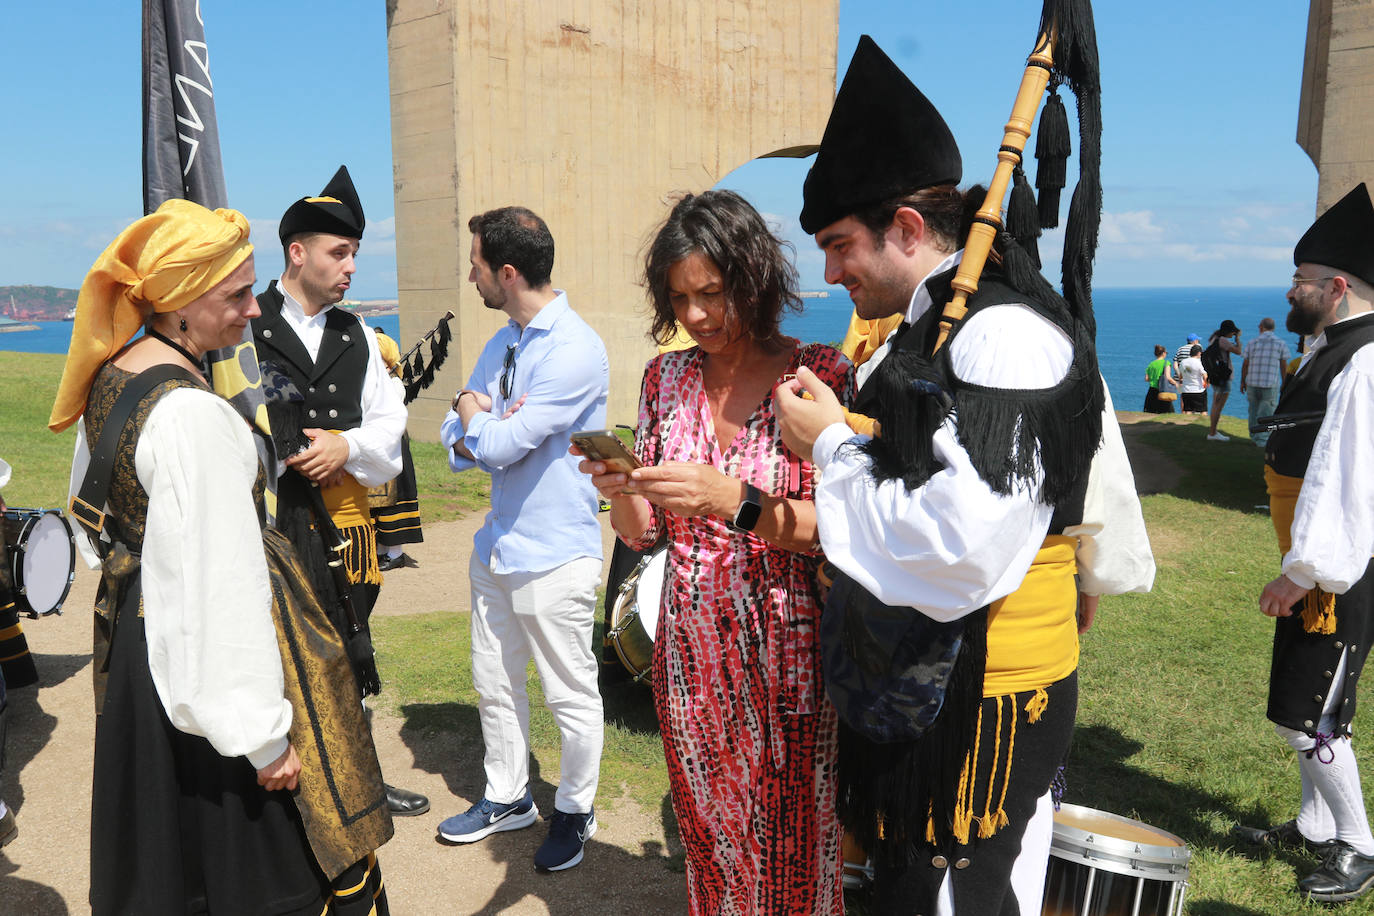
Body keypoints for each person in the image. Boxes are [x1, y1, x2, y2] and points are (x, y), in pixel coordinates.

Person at [774, 36, 1153, 916]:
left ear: (906, 228)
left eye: (839, 246)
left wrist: (830, 446)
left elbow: (962, 545)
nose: (830, 274)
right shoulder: (934, 329)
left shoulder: (1003, 334)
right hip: (926, 683)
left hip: (983, 691)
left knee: (963, 898)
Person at [47, 200, 391, 914]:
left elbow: (94, 516)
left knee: (168, 860)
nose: (252, 313)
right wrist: (262, 740)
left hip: (148, 652)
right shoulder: (191, 416)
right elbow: (216, 588)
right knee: (266, 866)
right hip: (199, 665)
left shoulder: (117, 374)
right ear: (176, 305)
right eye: (234, 296)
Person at [580, 190, 853, 913]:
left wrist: (731, 500)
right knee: (709, 845)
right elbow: (645, 534)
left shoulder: (816, 377)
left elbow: (844, 528)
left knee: (795, 853)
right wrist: (619, 487)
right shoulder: (665, 379)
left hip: (791, 661)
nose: (696, 315)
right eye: (680, 298)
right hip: (691, 659)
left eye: (712, 292)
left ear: (754, 279)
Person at [251, 166, 428, 818]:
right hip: (268, 530)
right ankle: (279, 789)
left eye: (354, 253)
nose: (351, 266)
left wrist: (345, 446)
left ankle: (358, 786)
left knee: (345, 663)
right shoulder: (247, 323)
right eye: (340, 252)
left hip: (347, 532)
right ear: (297, 252)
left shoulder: (358, 336)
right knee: (271, 662)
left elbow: (390, 425)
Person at [437, 206, 608, 872]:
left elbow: (502, 442)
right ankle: (509, 797)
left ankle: (575, 808)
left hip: (555, 552)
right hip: (498, 545)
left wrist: (478, 420)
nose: (470, 275)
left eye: (475, 264)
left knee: (570, 693)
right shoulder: (504, 339)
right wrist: (472, 420)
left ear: (506, 273)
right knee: (494, 680)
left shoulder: (574, 349)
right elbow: (463, 442)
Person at [1236, 183, 1374, 904]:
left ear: (1338, 286)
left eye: (1303, 282)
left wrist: (1306, 572)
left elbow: (1347, 478)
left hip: (1339, 570)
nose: (1293, 291)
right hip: (1320, 563)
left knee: (1312, 712)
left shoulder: (1366, 360)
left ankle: (1358, 844)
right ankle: (1318, 825)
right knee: (1304, 707)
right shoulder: (1332, 348)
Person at [369, 326, 424, 571]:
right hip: (376, 447)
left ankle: (395, 553)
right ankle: (381, 549)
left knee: (395, 499)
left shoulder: (393, 385)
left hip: (393, 448)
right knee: (378, 500)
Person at [1240, 316, 1292, 448]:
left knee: (1253, 410)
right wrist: (1284, 383)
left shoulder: (1252, 342)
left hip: (1252, 382)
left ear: (1261, 327)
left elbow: (1245, 364)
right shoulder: (1280, 343)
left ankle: (1254, 436)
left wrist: (1242, 381)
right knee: (1267, 412)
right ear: (1273, 328)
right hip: (1269, 384)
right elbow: (1283, 365)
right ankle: (1262, 440)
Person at [1205, 318, 1242, 440]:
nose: (1233, 334)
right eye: (1233, 332)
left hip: (1215, 375)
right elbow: (1238, 351)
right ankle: (1213, 433)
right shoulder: (1223, 341)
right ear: (1228, 331)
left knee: (1215, 404)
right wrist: (1238, 339)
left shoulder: (1214, 338)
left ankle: (1213, 432)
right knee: (1219, 406)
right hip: (1223, 377)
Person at [1143, 343, 1177, 413]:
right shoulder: (1166, 363)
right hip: (1162, 390)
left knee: (1151, 412)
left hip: (1151, 391)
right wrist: (1176, 384)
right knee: (1167, 412)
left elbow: (1146, 379)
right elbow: (1168, 377)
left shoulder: (1151, 364)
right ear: (1163, 353)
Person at [1178, 343, 1208, 414]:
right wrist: (1206, 383)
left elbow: (1180, 376)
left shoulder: (1183, 362)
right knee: (1203, 411)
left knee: (1188, 411)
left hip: (1186, 390)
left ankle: (1186, 424)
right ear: (1198, 353)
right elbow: (1204, 375)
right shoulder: (1198, 362)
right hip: (1198, 390)